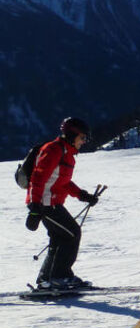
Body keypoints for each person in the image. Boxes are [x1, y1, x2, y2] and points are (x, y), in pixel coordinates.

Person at [25, 117, 99, 289]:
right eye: (82, 137)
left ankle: (47, 279)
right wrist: (35, 207)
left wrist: (82, 195)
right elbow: (38, 179)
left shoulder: (67, 154)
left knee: (60, 237)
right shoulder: (53, 150)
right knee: (71, 234)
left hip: (51, 203)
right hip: (44, 204)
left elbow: (62, 182)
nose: (84, 141)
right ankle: (60, 277)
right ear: (72, 135)